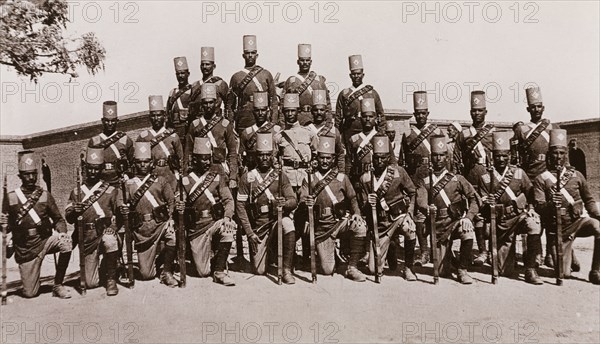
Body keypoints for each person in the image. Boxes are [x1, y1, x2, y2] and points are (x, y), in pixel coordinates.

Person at [0, 151, 72, 298]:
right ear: (20, 176)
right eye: (27, 174)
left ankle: (58, 285)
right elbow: (5, 228)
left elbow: (58, 219)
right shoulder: (11, 198)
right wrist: (2, 223)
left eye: (34, 174)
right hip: (25, 247)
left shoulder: (45, 195)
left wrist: (62, 232)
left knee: (66, 243)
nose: (31, 178)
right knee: (30, 293)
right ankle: (31, 282)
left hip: (45, 241)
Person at [532, 129, 600, 285]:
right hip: (558, 229)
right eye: (555, 153)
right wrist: (550, 204)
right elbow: (539, 207)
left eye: (562, 153)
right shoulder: (541, 179)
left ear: (566, 155)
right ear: (549, 155)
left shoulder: (576, 175)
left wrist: (597, 214)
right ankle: (568, 255)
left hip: (578, 222)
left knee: (599, 227)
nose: (558, 157)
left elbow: (589, 200)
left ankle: (596, 271)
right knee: (565, 274)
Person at [475, 131, 544, 285]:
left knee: (534, 224)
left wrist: (531, 208)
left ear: (509, 156)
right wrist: (488, 203)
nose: (501, 159)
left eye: (504, 155)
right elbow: (483, 208)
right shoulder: (485, 178)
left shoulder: (519, 173)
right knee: (504, 271)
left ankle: (531, 269)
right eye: (497, 155)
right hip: (501, 223)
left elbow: (530, 193)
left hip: (519, 217)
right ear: (492, 156)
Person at [297, 136, 367, 281]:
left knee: (360, 226)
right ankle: (330, 254)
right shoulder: (310, 178)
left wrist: (357, 214)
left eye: (328, 158)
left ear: (333, 159)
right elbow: (302, 198)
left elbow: (353, 198)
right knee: (327, 270)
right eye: (322, 158)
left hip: (339, 222)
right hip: (322, 228)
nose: (325, 161)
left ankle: (352, 267)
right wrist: (307, 201)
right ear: (318, 158)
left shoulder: (342, 178)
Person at [416, 136, 479, 284]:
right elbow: (421, 200)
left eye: (442, 155)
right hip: (437, 226)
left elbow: (474, 199)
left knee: (467, 230)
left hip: (455, 222)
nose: (438, 159)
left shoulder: (458, 179)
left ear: (447, 157)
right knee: (442, 271)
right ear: (431, 157)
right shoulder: (425, 180)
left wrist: (468, 217)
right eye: (435, 155)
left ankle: (462, 270)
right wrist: (427, 208)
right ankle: (450, 259)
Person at [236, 133, 297, 283]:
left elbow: (293, 200)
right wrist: (250, 233)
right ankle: (269, 256)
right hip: (259, 227)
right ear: (256, 156)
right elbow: (240, 207)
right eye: (261, 155)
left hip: (276, 222)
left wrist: (285, 203)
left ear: (273, 156)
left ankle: (287, 270)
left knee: (288, 224)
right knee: (259, 270)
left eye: (267, 155)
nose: (264, 158)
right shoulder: (247, 177)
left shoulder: (280, 176)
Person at [176, 137, 236, 286]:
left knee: (227, 230)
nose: (206, 162)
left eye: (208, 158)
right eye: (202, 159)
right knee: (202, 272)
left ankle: (220, 271)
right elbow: (178, 200)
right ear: (194, 159)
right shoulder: (185, 180)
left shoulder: (217, 177)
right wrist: (180, 206)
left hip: (214, 221)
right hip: (196, 228)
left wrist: (228, 217)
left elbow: (228, 200)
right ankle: (213, 257)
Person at [513, 86, 563, 268]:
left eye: (539, 106)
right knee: (532, 218)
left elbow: (562, 156)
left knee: (550, 217)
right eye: (533, 107)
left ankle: (551, 253)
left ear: (543, 107)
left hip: (549, 179)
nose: (536, 110)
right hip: (530, 179)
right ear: (528, 109)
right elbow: (515, 157)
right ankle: (534, 254)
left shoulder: (553, 128)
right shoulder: (522, 130)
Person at [357, 135, 418, 280]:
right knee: (373, 269)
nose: (379, 161)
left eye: (383, 158)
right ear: (372, 157)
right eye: (377, 157)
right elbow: (363, 208)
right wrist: (368, 203)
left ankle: (408, 268)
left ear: (388, 157)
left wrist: (409, 213)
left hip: (398, 217)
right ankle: (391, 245)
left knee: (410, 229)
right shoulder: (365, 178)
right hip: (380, 225)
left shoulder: (398, 172)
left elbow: (412, 192)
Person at [65, 147, 122, 295]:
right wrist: (74, 211)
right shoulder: (76, 192)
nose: (92, 172)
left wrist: (114, 228)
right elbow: (69, 218)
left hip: (105, 232)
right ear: (85, 168)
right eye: (90, 168)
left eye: (96, 169)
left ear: (101, 169)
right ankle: (105, 267)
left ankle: (111, 278)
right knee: (91, 283)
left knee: (110, 240)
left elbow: (121, 214)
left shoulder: (110, 190)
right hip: (87, 237)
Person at [120, 142, 177, 287]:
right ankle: (158, 263)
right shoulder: (128, 185)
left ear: (151, 163)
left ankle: (167, 271)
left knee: (171, 235)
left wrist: (170, 219)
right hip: (141, 230)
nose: (143, 165)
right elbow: (121, 204)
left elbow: (171, 202)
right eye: (139, 162)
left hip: (159, 224)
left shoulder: (161, 181)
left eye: (146, 161)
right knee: (147, 275)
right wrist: (123, 208)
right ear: (134, 163)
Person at [400, 91, 443, 267]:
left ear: (428, 114)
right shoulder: (408, 135)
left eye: (423, 113)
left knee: (436, 212)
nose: (421, 116)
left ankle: (437, 248)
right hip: (417, 178)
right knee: (419, 214)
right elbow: (403, 159)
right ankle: (424, 251)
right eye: (418, 114)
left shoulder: (437, 131)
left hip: (434, 177)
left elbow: (443, 155)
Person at [454, 91, 495, 266]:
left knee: (492, 212)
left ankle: (493, 250)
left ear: (485, 111)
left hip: (488, 176)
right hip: (470, 176)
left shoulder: (493, 132)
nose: (476, 114)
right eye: (474, 111)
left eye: (480, 111)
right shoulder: (463, 134)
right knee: (475, 213)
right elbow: (456, 159)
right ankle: (482, 251)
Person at [184, 83, 238, 188]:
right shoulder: (195, 125)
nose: (208, 106)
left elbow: (232, 152)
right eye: (205, 103)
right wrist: (185, 173)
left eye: (211, 103)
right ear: (201, 104)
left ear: (216, 103)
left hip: (220, 169)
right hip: (200, 171)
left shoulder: (225, 124)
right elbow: (188, 152)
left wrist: (232, 177)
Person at [229, 35, 278, 133]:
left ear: (257, 55)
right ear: (243, 55)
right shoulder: (236, 77)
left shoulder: (266, 74)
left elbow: (273, 101)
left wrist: (273, 121)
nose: (250, 55)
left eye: (253, 53)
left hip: (263, 119)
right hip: (244, 118)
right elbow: (230, 104)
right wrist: (230, 125)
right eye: (247, 53)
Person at [336, 55, 386, 145]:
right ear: (350, 76)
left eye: (358, 74)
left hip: (367, 130)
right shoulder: (344, 94)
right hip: (349, 130)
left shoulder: (372, 93)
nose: (356, 76)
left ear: (363, 75)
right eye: (354, 74)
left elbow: (381, 114)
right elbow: (338, 117)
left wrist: (381, 132)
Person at [137, 96, 184, 190]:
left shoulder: (173, 136)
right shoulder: (144, 137)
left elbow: (181, 158)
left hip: (169, 173)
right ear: (150, 117)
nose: (156, 118)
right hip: (152, 174)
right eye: (153, 116)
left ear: (164, 116)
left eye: (159, 115)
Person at [346, 98, 395, 183]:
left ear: (375, 118)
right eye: (364, 116)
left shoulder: (383, 138)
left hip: (379, 179)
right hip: (359, 179)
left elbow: (392, 162)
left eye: (371, 116)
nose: (368, 119)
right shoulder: (354, 139)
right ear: (360, 118)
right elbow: (348, 164)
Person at [87, 101, 134, 187]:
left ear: (117, 121)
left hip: (119, 181)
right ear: (102, 121)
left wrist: (128, 175)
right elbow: (87, 167)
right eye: (107, 121)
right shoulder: (94, 141)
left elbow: (133, 162)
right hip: (100, 183)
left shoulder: (125, 140)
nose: (109, 124)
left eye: (113, 121)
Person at [283, 44, 331, 126]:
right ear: (298, 62)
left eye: (307, 60)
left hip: (316, 119)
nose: (305, 63)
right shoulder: (291, 81)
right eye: (302, 60)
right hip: (298, 119)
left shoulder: (318, 81)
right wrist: (283, 125)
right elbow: (283, 106)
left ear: (311, 62)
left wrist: (328, 122)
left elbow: (327, 104)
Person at [238, 91, 281, 173]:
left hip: (272, 172)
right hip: (253, 172)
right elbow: (241, 156)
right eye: (257, 110)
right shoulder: (247, 133)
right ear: (253, 112)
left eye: (263, 110)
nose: (260, 113)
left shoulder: (276, 130)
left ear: (268, 111)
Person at [306, 89, 345, 172]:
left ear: (326, 112)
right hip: (309, 172)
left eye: (322, 110)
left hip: (328, 172)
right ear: (312, 112)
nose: (319, 112)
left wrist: (341, 172)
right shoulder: (306, 129)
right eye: (316, 110)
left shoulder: (334, 131)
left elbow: (340, 154)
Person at [189, 47, 230, 122]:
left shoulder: (220, 83)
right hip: (198, 123)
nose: (204, 67)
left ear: (214, 66)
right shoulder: (195, 85)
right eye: (202, 64)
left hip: (215, 122)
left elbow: (228, 105)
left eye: (207, 64)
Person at [166, 56, 193, 143]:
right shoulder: (172, 92)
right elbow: (168, 113)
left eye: (183, 73)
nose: (180, 76)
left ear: (188, 74)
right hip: (174, 130)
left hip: (187, 129)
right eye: (178, 74)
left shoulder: (192, 90)